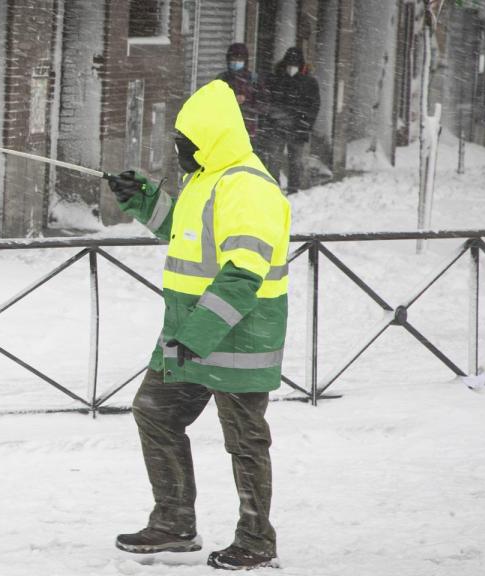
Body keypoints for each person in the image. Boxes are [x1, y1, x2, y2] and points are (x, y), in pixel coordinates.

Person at [105, 79, 291, 571]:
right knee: (155, 412)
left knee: (246, 442)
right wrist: (142, 197)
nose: (178, 150)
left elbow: (244, 273)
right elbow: (184, 232)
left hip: (234, 340)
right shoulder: (206, 179)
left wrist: (197, 336)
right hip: (191, 335)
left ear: (209, 141)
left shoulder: (249, 187)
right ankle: (174, 523)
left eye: (184, 143)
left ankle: (255, 540)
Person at [264, 47, 320, 195]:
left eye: (294, 65)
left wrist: (305, 124)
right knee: (276, 160)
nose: (291, 68)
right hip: (280, 127)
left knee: (294, 161)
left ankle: (292, 189)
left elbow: (313, 107)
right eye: (289, 64)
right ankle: (274, 190)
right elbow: (268, 101)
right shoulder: (276, 79)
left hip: (296, 128)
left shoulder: (309, 83)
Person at [216, 43, 264, 145]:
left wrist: (247, 104)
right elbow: (213, 102)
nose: (236, 62)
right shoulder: (222, 78)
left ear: (245, 61)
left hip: (247, 129)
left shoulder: (253, 79)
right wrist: (231, 100)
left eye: (239, 59)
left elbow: (262, 103)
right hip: (225, 129)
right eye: (233, 59)